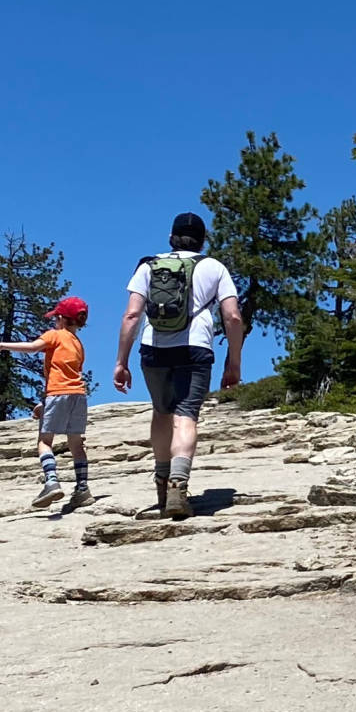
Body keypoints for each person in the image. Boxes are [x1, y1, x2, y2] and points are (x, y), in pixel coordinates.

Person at [113, 211, 245, 518]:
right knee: (186, 417)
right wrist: (233, 363)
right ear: (202, 239)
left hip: (153, 350)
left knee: (161, 413)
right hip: (195, 350)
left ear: (171, 237)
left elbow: (131, 315)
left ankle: (161, 483)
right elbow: (233, 316)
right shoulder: (214, 267)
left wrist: (121, 361)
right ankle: (178, 485)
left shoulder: (148, 265)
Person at [0, 297, 94, 509]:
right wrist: (44, 405)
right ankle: (82, 489)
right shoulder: (78, 344)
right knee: (76, 444)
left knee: (44, 442)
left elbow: (34, 347)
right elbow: (69, 375)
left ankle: (52, 482)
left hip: (57, 393)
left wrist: (1, 345)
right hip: (79, 395)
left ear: (61, 318)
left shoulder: (55, 335)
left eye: (56, 318)